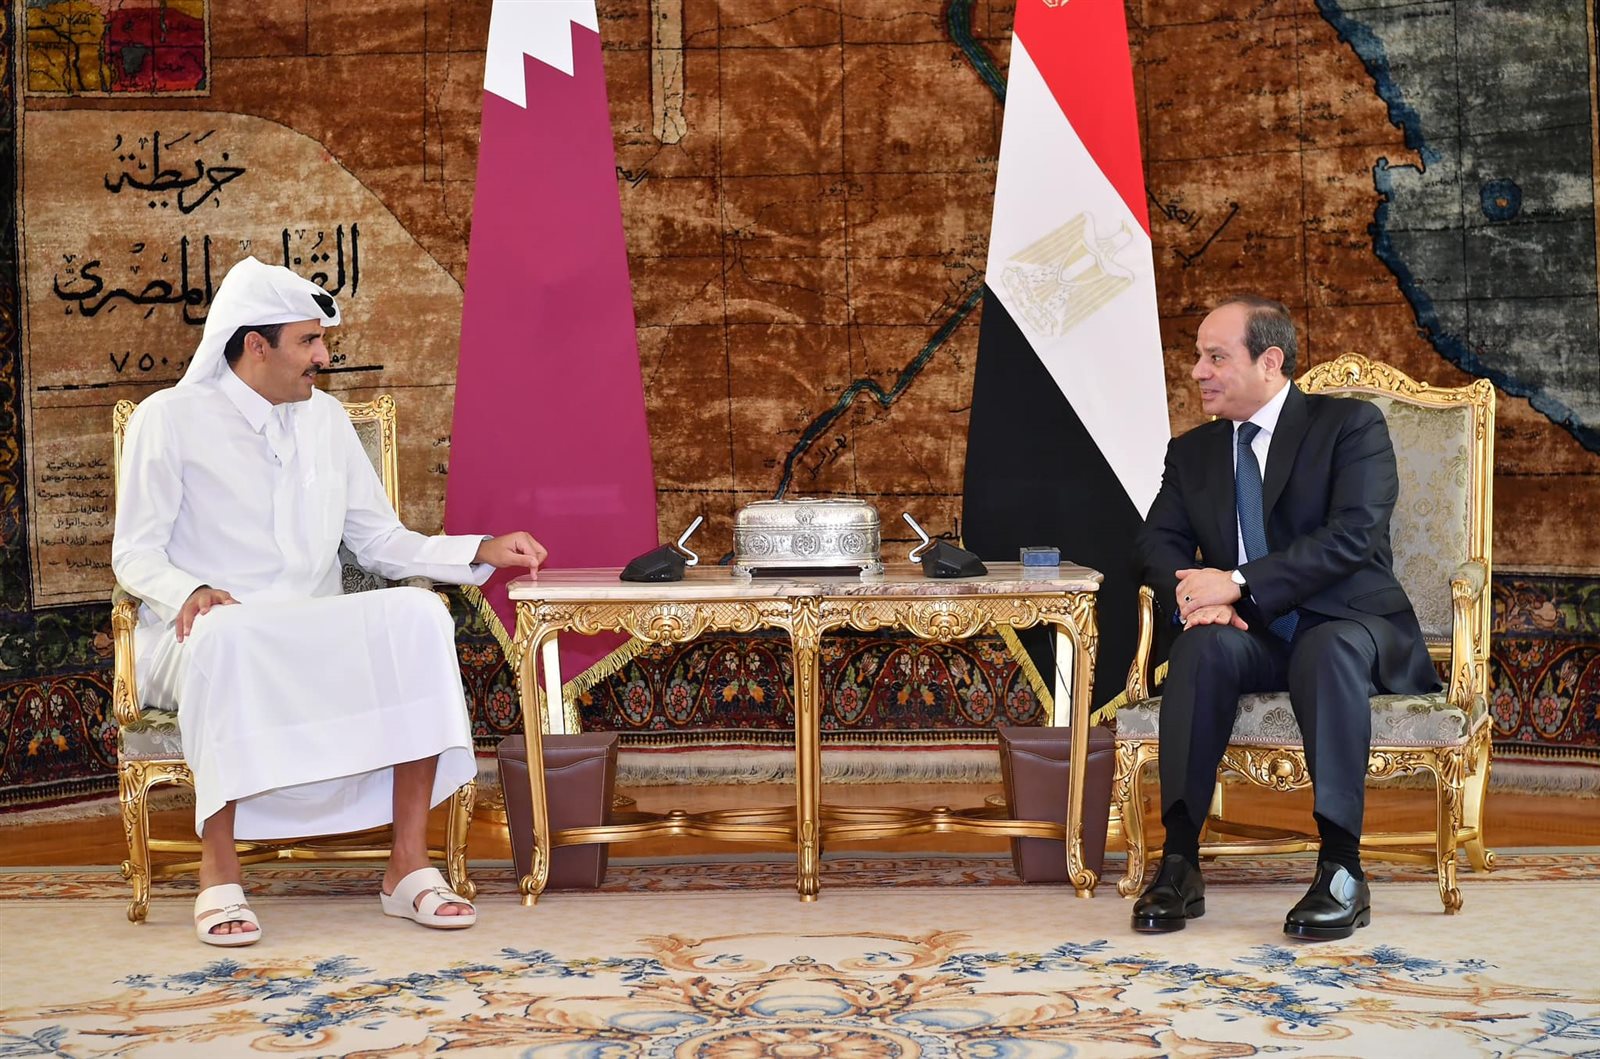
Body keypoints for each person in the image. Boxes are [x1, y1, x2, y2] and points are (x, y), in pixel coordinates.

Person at [113, 257, 547, 946]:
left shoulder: (327, 419)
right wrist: (189, 591)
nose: (323, 356)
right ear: (255, 346)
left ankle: (407, 866)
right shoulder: (168, 420)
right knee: (225, 633)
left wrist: (480, 549)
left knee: (419, 616)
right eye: (308, 341)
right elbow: (134, 554)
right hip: (202, 634)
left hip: (310, 629)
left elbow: (377, 540)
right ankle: (218, 872)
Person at [1131, 295, 1436, 940]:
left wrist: (1238, 583)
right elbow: (1156, 543)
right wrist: (1202, 598)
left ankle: (1342, 869)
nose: (1198, 372)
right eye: (1198, 357)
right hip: (1253, 635)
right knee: (1200, 648)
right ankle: (1179, 862)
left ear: (1269, 362)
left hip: (1347, 625)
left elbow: (1352, 537)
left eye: (1216, 357)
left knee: (1325, 650)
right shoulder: (1192, 453)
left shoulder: (1350, 426)